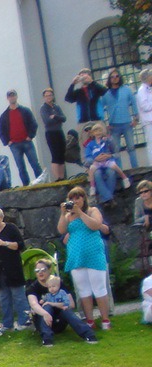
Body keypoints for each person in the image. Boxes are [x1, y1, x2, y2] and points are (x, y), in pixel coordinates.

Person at [58, 186, 113, 329]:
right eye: (72, 199)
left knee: (99, 288)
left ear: (83, 198)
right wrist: (63, 214)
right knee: (83, 290)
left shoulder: (92, 211)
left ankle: (105, 320)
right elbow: (61, 230)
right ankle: (90, 320)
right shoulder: (68, 216)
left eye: (78, 198)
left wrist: (80, 213)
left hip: (94, 254)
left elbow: (95, 225)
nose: (75, 201)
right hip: (76, 256)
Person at [26, 265, 98, 346]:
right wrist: (45, 313)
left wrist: (55, 304)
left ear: (49, 270)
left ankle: (89, 335)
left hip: (60, 321)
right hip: (43, 321)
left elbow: (71, 304)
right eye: (37, 270)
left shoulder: (59, 285)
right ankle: (47, 338)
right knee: (47, 306)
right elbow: (34, 305)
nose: (40, 272)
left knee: (64, 309)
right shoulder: (33, 288)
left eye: (43, 269)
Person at [0, 207, 27, 329]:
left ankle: (24, 322)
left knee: (18, 296)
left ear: (2, 218)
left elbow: (20, 245)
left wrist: (5, 243)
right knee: (4, 298)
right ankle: (7, 324)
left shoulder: (11, 228)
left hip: (13, 268)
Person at [0, 90, 42, 186]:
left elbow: (33, 124)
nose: (12, 98)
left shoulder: (25, 111)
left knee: (35, 164)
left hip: (27, 142)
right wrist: (7, 141)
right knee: (21, 167)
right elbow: (1, 131)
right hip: (14, 145)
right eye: (10, 96)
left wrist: (30, 136)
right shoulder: (4, 115)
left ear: (16, 96)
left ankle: (41, 183)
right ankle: (26, 186)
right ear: (7, 98)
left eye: (13, 95)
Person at [101, 69, 139, 168]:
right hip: (114, 126)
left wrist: (136, 118)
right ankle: (119, 171)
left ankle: (136, 169)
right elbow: (100, 108)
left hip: (127, 123)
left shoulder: (126, 89)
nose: (115, 78)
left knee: (131, 147)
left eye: (117, 76)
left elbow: (134, 103)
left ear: (120, 77)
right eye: (112, 77)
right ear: (109, 79)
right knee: (115, 150)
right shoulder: (106, 93)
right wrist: (104, 124)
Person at [83, 123, 131, 204]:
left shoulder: (107, 141)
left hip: (108, 162)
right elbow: (88, 158)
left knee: (111, 172)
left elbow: (116, 153)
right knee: (96, 174)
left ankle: (124, 180)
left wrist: (109, 155)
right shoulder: (90, 144)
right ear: (93, 133)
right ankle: (107, 196)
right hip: (97, 164)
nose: (98, 133)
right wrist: (95, 159)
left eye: (100, 131)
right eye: (96, 131)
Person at [39, 88, 68, 182]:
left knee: (62, 154)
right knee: (55, 154)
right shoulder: (43, 108)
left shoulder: (56, 107)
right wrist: (57, 119)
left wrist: (55, 116)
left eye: (50, 95)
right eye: (46, 96)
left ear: (53, 96)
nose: (48, 97)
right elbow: (47, 121)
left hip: (59, 131)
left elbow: (64, 118)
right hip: (51, 133)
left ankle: (62, 177)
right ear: (44, 97)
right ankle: (57, 178)